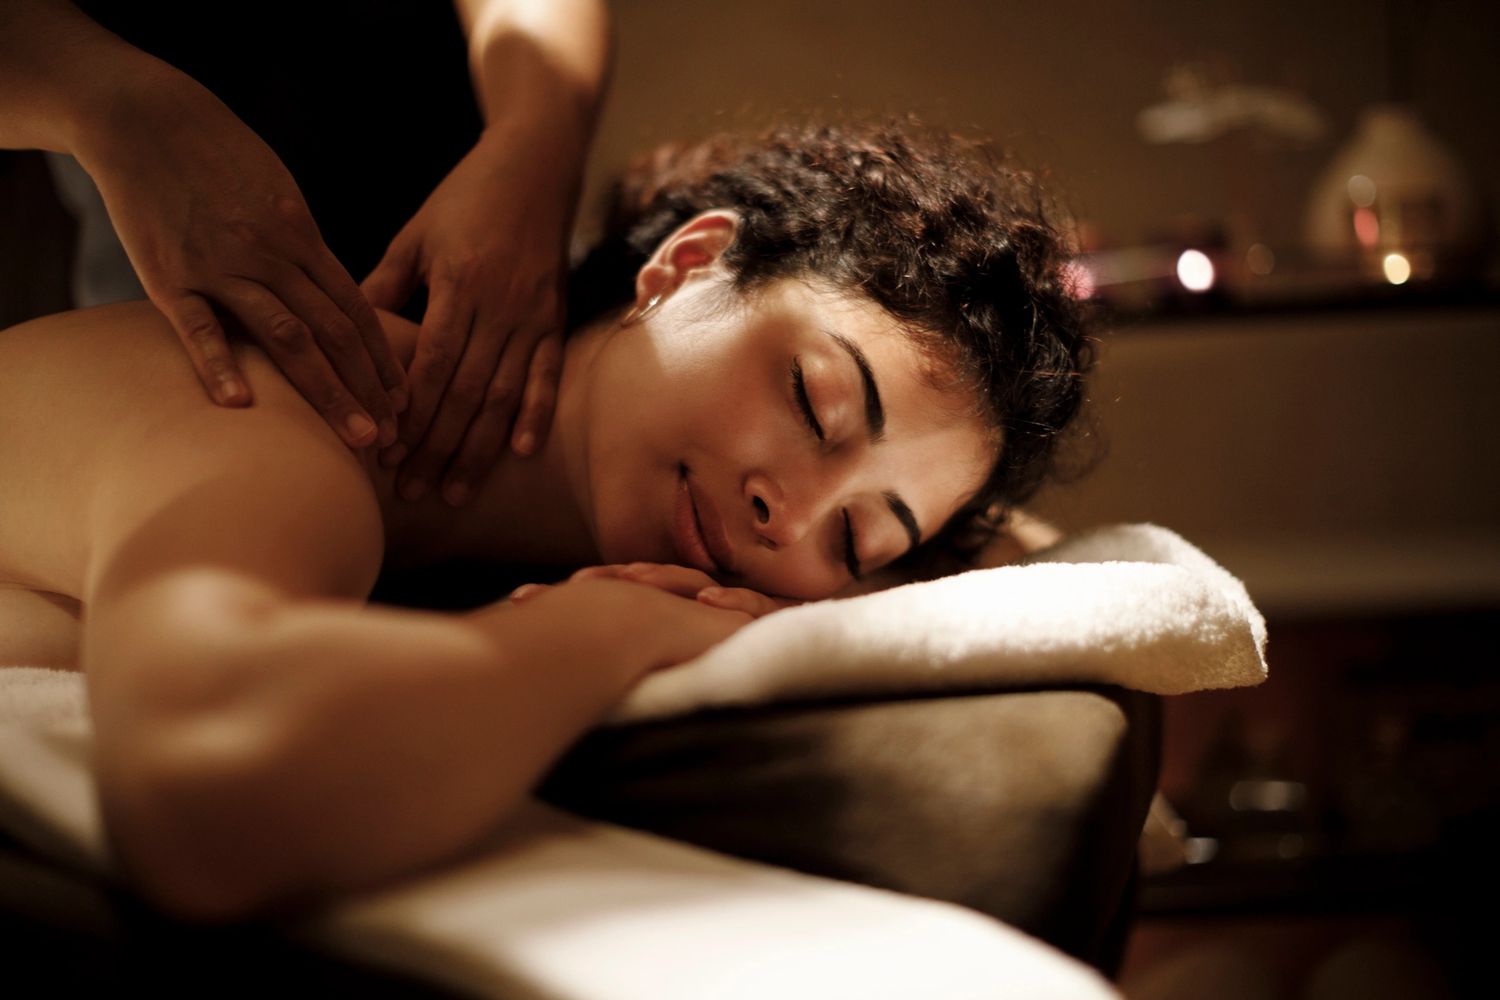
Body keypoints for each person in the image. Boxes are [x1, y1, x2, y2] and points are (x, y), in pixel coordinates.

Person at [0, 119, 1095, 922]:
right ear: (685, 266)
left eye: (861, 538)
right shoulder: (287, 426)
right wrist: (616, 628)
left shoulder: (429, 521)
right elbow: (207, 797)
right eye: (814, 400)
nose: (790, 512)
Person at [0, 0, 608, 502]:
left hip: (495, 242)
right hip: (198, 328)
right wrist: (115, 107)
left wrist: (536, 138)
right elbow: (189, 643)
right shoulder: (242, 455)